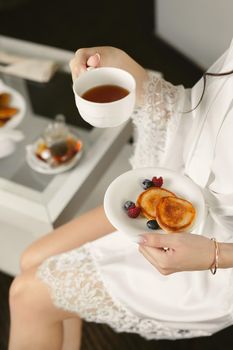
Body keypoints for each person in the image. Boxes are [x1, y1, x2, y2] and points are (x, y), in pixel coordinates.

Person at [8, 42, 233, 350]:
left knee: (26, 295)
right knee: (31, 259)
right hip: (167, 196)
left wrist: (216, 254)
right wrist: (132, 73)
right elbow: (198, 117)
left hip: (211, 261)